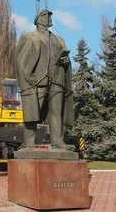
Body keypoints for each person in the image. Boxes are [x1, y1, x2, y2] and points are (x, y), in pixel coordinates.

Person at [15, 9, 74, 150]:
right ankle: (29, 142)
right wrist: (29, 77)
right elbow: (21, 60)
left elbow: (65, 58)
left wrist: (66, 61)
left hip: (57, 79)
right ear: (39, 20)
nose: (50, 18)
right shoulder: (29, 37)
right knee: (32, 111)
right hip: (38, 80)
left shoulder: (59, 39)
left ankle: (57, 141)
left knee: (56, 112)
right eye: (47, 16)